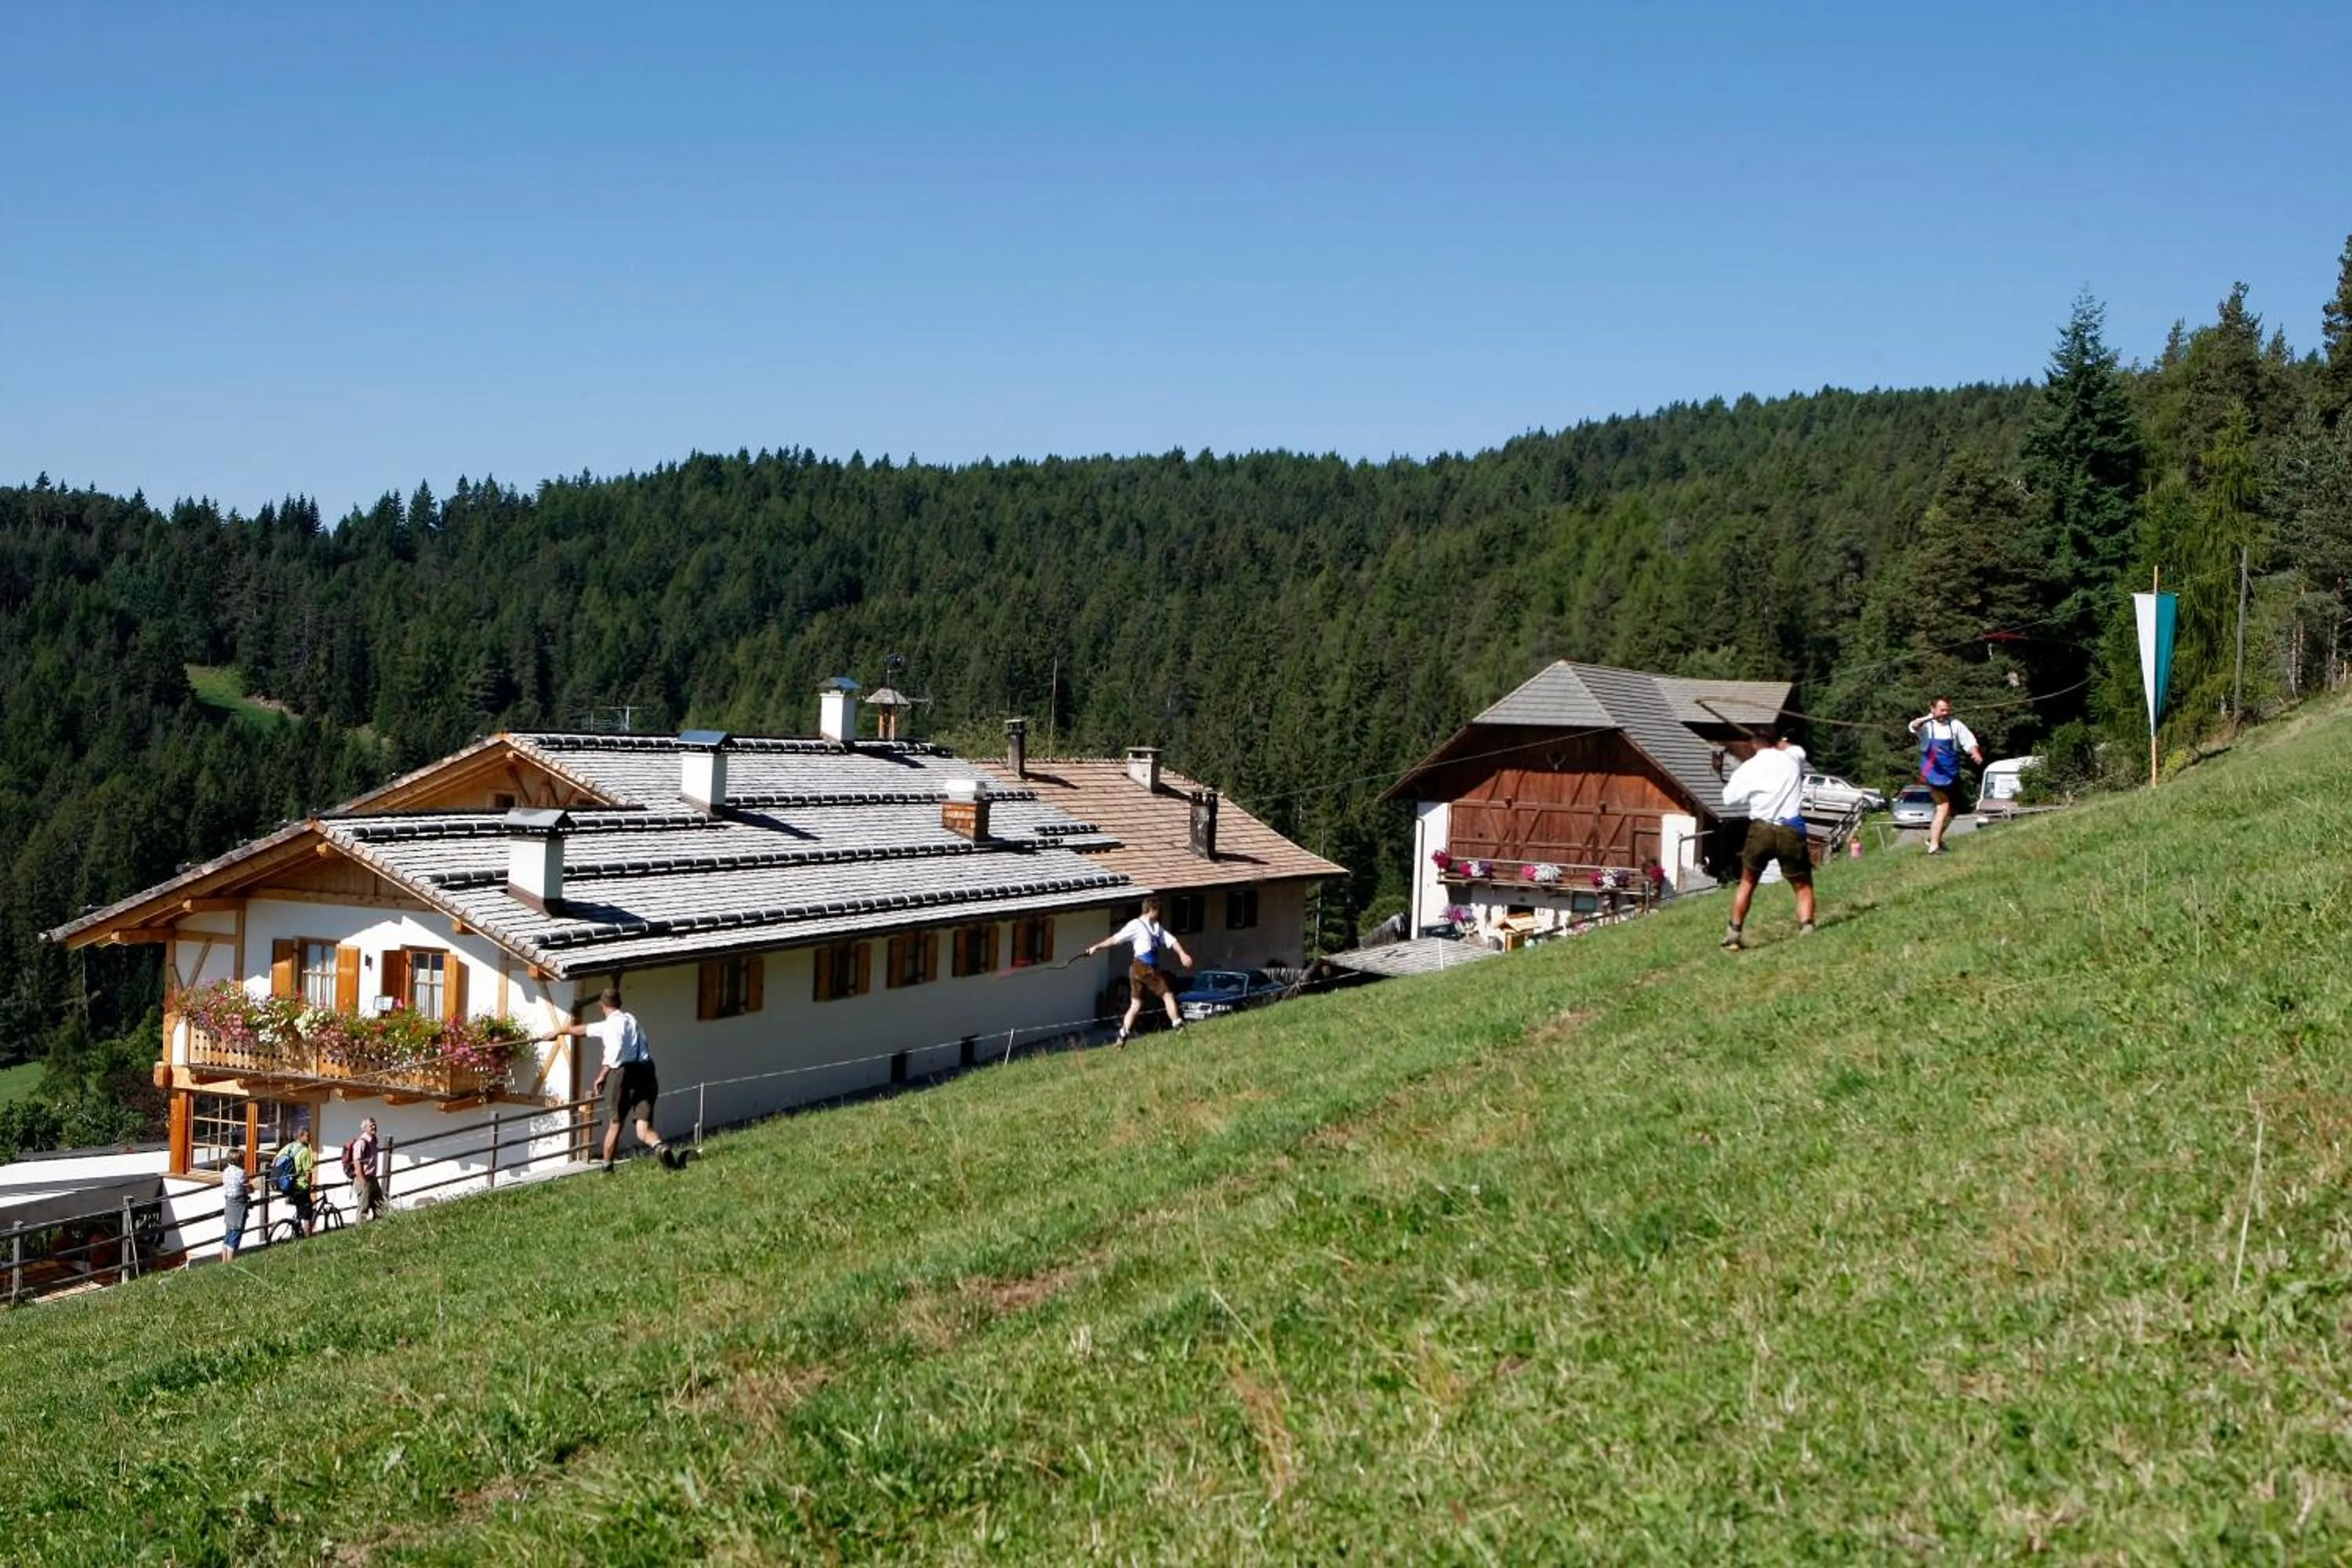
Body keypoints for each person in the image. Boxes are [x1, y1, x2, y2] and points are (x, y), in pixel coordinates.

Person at [542, 988, 684, 1172]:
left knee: (616, 1124)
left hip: (627, 1074)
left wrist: (602, 1076)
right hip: (648, 1071)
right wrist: (562, 1031)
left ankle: (607, 1169)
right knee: (643, 1129)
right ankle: (660, 1147)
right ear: (619, 1004)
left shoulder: (610, 1027)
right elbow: (585, 1029)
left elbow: (615, 1054)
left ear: (602, 1006)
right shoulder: (630, 1019)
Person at [1717, 725, 1817, 949]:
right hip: (1791, 829)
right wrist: (1783, 745)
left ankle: (1734, 934)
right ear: (1778, 742)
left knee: (1748, 881)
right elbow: (1799, 751)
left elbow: (1728, 799)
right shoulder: (1792, 759)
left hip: (1761, 829)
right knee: (1802, 884)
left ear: (1754, 745)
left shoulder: (1748, 768)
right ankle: (1807, 926)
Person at [1085, 897, 1195, 1044]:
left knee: (1136, 1004)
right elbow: (1115, 939)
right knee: (1167, 995)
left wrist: (1182, 954)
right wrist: (1096, 947)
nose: (1160, 913)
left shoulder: (1156, 927)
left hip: (1137, 970)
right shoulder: (1136, 925)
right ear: (1151, 910)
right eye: (1158, 910)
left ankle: (1122, 1035)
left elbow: (1172, 940)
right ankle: (1178, 1026)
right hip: (1144, 968)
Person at [1907, 696, 1985, 855]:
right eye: (1941, 710)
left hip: (1950, 772)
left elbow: (1969, 741)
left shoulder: (1955, 725)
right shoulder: (1926, 726)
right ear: (1933, 709)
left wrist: (1975, 753)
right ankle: (1934, 847)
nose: (1945, 713)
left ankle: (1934, 839)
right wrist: (1927, 719)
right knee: (1943, 807)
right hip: (1932, 772)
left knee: (1952, 812)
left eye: (1947, 710)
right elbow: (1914, 726)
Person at [278, 1127, 318, 1236]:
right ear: (301, 1136)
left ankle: (297, 1230)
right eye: (307, 1136)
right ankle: (307, 1236)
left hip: (288, 1185)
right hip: (301, 1185)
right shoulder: (305, 1151)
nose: (310, 1138)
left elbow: (276, 1161)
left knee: (299, 1208)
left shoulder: (289, 1147)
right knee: (307, 1212)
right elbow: (308, 1171)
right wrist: (310, 1185)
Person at [345, 1116, 387, 1221]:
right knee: (363, 1208)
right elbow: (357, 1163)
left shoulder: (373, 1141)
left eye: (374, 1125)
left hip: (372, 1179)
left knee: (380, 1206)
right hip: (363, 1179)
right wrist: (363, 1181)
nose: (374, 1127)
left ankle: (380, 1229)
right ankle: (361, 1232)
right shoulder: (361, 1143)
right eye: (371, 1125)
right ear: (364, 1128)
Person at [220, 1152, 249, 1261]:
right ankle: (231, 1262)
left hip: (229, 1201)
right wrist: (252, 1187)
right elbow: (247, 1188)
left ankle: (224, 1261)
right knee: (236, 1231)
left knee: (228, 1231)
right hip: (239, 1203)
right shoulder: (241, 1173)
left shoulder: (226, 1171)